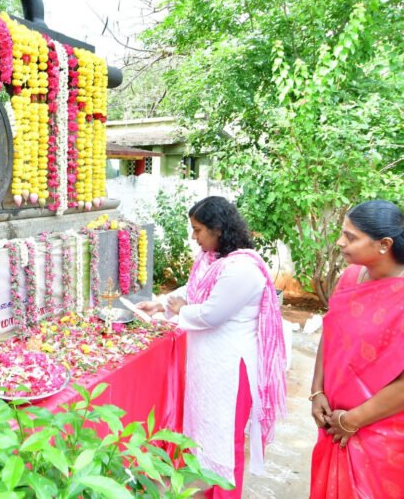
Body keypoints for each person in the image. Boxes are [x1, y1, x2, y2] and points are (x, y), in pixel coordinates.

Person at [137, 196, 286, 498]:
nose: (194, 237)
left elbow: (211, 313)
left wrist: (180, 310)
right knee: (202, 436)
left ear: (218, 229)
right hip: (209, 366)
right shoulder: (214, 260)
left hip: (231, 372)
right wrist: (161, 304)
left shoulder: (242, 268)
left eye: (198, 230)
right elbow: (192, 290)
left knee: (224, 444)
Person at [309, 199, 404, 498]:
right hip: (333, 423)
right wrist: (316, 390)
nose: (340, 243)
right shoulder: (351, 277)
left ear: (383, 244)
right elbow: (331, 332)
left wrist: (351, 421)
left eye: (351, 237)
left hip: (381, 432)